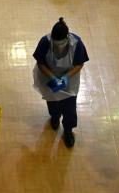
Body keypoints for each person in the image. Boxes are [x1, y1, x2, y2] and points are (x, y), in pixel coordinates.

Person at [32, 18, 88, 148]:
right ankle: (55, 117)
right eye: (55, 42)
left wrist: (66, 77)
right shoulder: (45, 42)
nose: (58, 45)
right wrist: (52, 77)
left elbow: (80, 64)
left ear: (67, 38)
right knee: (52, 101)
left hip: (69, 80)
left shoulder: (77, 44)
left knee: (69, 107)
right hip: (49, 77)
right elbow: (40, 63)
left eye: (61, 42)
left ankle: (68, 131)